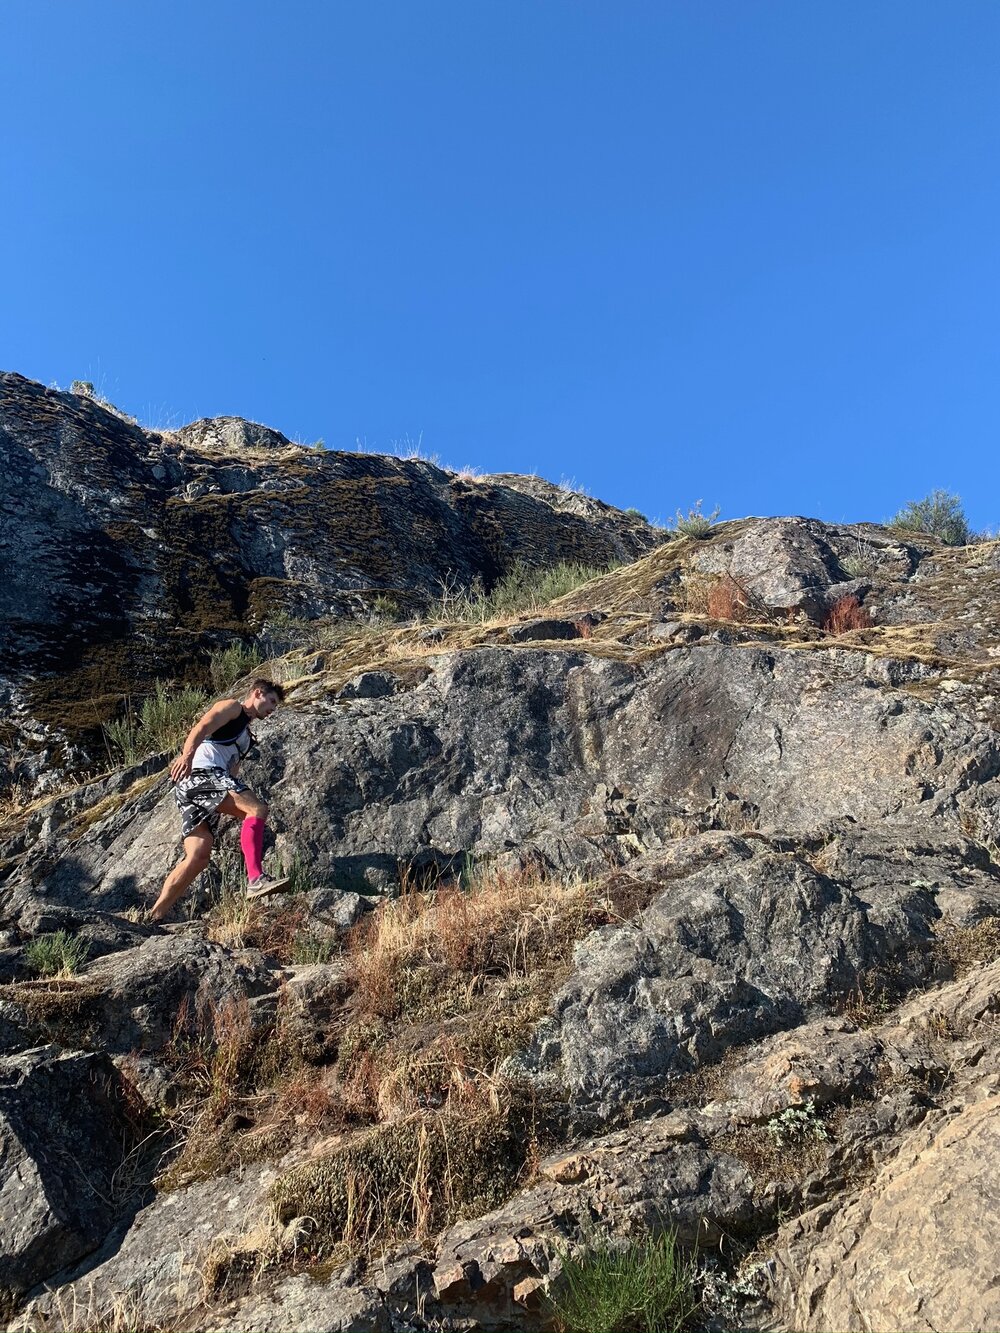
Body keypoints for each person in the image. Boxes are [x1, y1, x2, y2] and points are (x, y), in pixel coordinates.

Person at [150, 679, 290, 922]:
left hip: (196, 785)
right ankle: (255, 878)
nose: (273, 709)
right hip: (201, 774)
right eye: (272, 702)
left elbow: (232, 771)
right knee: (256, 809)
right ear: (257, 693)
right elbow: (203, 725)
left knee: (199, 855)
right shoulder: (233, 708)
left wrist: (231, 794)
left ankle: (154, 916)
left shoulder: (246, 735)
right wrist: (186, 757)